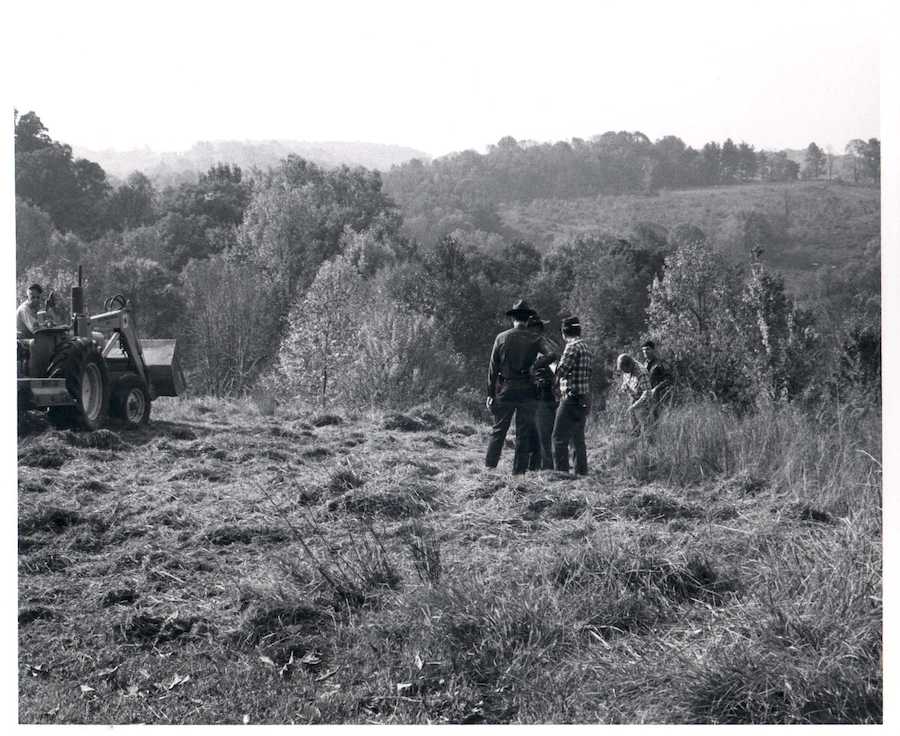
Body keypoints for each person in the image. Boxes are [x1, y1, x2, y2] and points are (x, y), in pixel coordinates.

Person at [485, 299, 559, 475]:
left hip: (506, 388)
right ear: (527, 320)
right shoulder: (536, 338)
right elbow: (553, 354)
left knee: (498, 430)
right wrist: (536, 366)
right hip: (527, 390)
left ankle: (489, 468)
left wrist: (490, 393)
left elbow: (493, 368)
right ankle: (518, 473)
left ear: (513, 319)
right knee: (523, 433)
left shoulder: (501, 338)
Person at [551, 316, 593, 475]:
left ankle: (561, 476)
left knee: (558, 438)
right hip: (583, 398)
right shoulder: (586, 348)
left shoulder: (571, 347)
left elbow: (560, 372)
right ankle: (581, 475)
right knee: (577, 440)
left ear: (564, 332)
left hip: (569, 398)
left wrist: (550, 362)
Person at [526, 314, 559, 471]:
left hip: (543, 395)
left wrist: (535, 366)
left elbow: (554, 359)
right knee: (534, 435)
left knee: (543, 435)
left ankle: (547, 471)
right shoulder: (531, 345)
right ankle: (535, 469)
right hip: (535, 394)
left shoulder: (543, 343)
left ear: (536, 328)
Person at [617, 353, 652, 435]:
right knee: (635, 431)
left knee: (646, 432)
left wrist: (634, 406)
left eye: (624, 370)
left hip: (643, 406)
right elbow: (626, 383)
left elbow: (647, 394)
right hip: (633, 402)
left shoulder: (641, 373)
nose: (623, 372)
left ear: (629, 365)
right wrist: (623, 389)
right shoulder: (626, 370)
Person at [640, 340, 672, 419]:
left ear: (653, 350)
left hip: (659, 398)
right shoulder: (644, 365)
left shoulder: (660, 363)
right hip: (646, 398)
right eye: (643, 350)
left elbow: (669, 379)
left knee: (658, 420)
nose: (645, 351)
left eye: (647, 349)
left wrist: (656, 389)